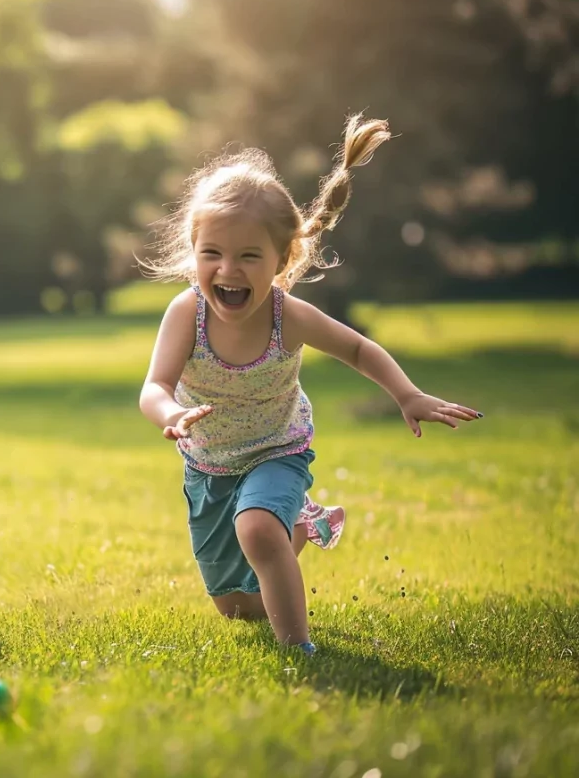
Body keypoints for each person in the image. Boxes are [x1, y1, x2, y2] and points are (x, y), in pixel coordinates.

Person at [138, 115, 481, 653]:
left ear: (282, 259)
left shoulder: (286, 315)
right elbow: (154, 385)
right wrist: (169, 414)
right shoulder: (186, 315)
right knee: (237, 608)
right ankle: (301, 526)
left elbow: (357, 348)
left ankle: (300, 647)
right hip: (209, 463)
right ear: (194, 253)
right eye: (213, 254)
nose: (228, 269)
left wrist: (407, 394)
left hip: (279, 450)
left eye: (249, 255)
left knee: (255, 531)